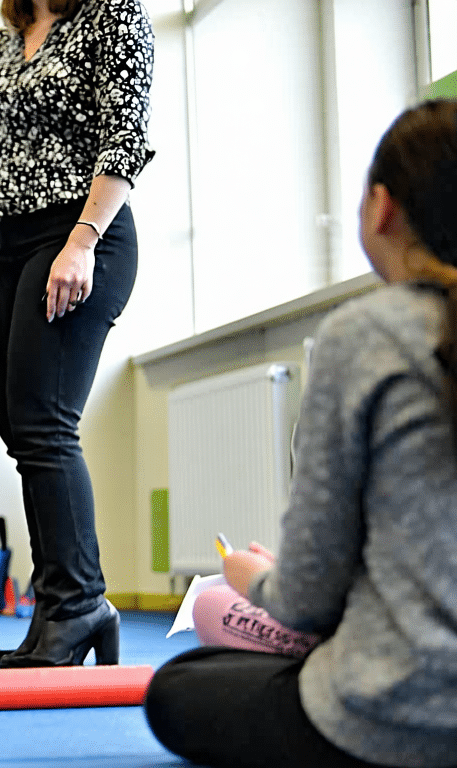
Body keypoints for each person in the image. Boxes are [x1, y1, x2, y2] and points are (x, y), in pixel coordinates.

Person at [144, 99, 457, 768]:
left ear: (380, 208)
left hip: (399, 716)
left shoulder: (367, 334)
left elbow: (308, 599)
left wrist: (257, 578)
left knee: (177, 687)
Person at [0, 0, 153, 666]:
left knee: (45, 424)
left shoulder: (113, 13)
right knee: (19, 426)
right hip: (14, 245)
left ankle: (76, 603)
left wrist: (83, 241)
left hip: (86, 233)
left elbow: (126, 134)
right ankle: (68, 602)